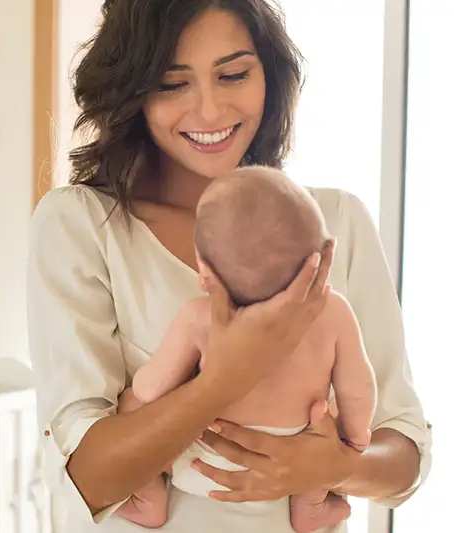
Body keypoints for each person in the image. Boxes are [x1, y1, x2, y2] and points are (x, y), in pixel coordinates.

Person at [26, 1, 432, 531]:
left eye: (234, 74)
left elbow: (406, 456)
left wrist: (333, 466)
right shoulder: (81, 225)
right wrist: (222, 380)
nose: (211, 111)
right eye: (172, 84)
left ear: (269, 73)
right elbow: (84, 479)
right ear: (132, 92)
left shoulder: (336, 221)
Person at [113, 166, 377, 533]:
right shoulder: (332, 313)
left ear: (204, 270)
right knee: (324, 421)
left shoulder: (199, 318)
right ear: (317, 262)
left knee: (131, 408)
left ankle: (148, 500)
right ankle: (311, 508)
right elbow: (358, 385)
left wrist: (136, 393)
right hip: (293, 462)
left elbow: (151, 389)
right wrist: (355, 438)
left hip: (203, 466)